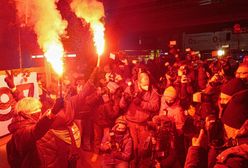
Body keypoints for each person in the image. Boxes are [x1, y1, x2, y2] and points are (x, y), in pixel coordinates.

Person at [184, 89, 248, 168]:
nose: (223, 131)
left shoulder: (233, 161)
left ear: (238, 130)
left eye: (226, 127)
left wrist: (195, 151)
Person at [120, 71, 160, 167]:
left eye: (148, 84)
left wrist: (141, 103)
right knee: (132, 147)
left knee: (143, 148)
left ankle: (142, 164)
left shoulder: (153, 92)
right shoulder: (130, 89)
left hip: (143, 124)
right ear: (138, 82)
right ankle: (133, 164)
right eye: (144, 84)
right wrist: (124, 100)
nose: (146, 86)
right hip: (131, 122)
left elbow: (155, 107)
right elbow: (121, 106)